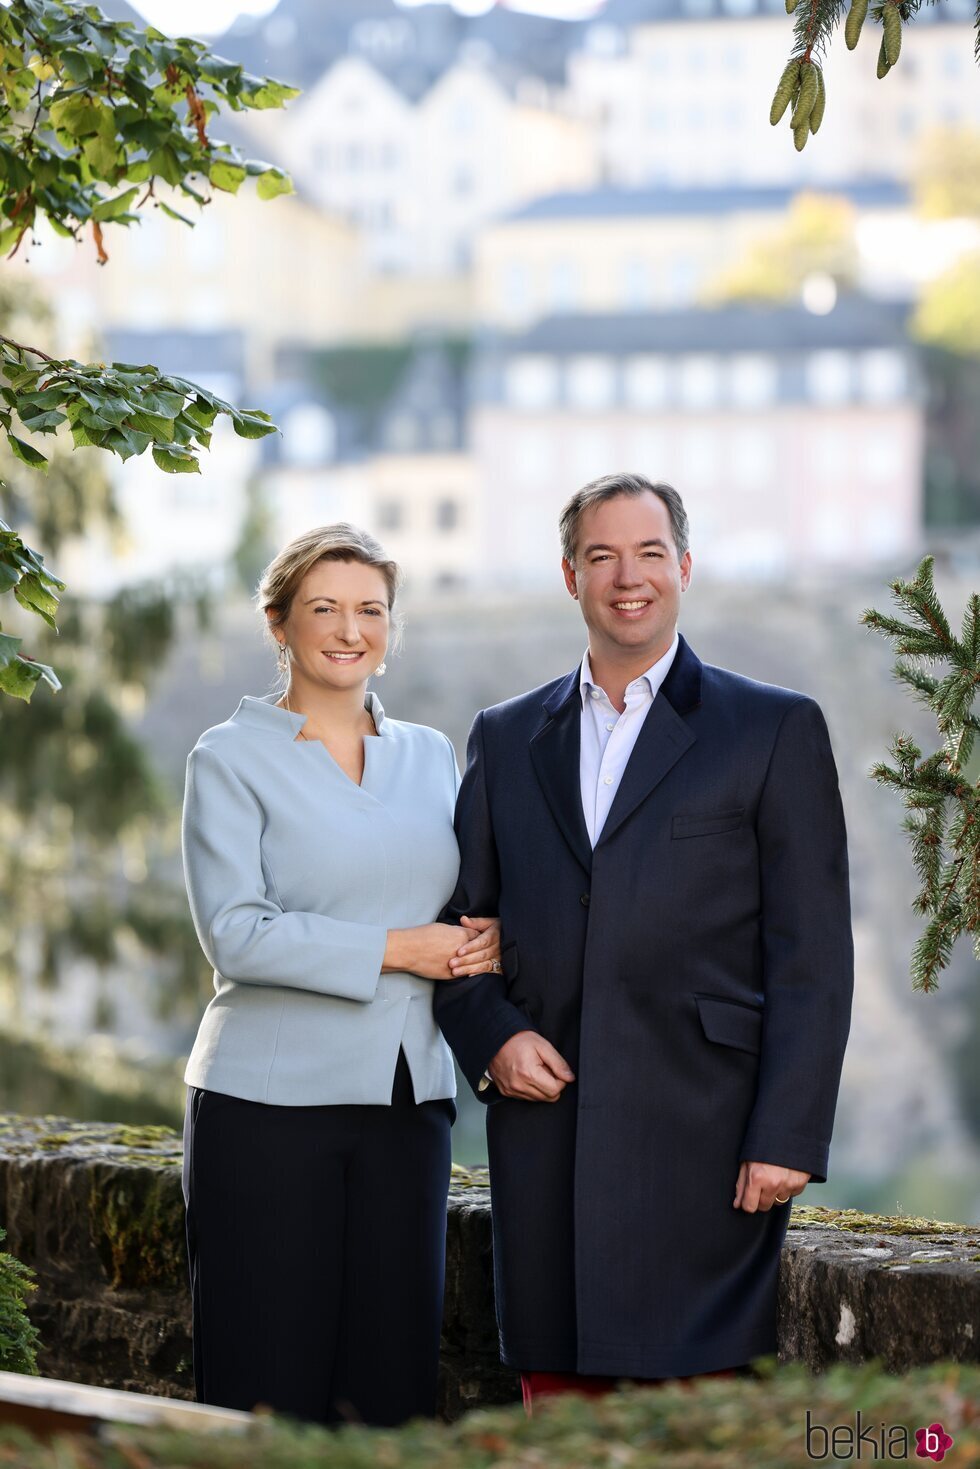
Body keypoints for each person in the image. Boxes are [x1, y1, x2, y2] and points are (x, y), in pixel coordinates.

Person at [433, 474, 853, 1413]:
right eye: (603, 555)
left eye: (650, 552)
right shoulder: (504, 739)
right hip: (549, 1142)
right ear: (570, 575)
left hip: (705, 1144)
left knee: (695, 1421)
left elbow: (813, 953)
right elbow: (459, 937)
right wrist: (492, 1038)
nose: (629, 576)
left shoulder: (774, 727)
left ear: (686, 566)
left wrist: (787, 1133)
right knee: (562, 1417)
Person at [180, 523, 501, 1428]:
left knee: (391, 1388)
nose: (350, 628)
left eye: (371, 609)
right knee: (265, 1385)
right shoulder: (228, 756)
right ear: (279, 623)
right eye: (324, 607)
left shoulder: (430, 755)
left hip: (407, 1106)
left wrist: (493, 938)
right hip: (266, 1109)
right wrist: (400, 948)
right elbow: (237, 935)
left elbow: (466, 902)